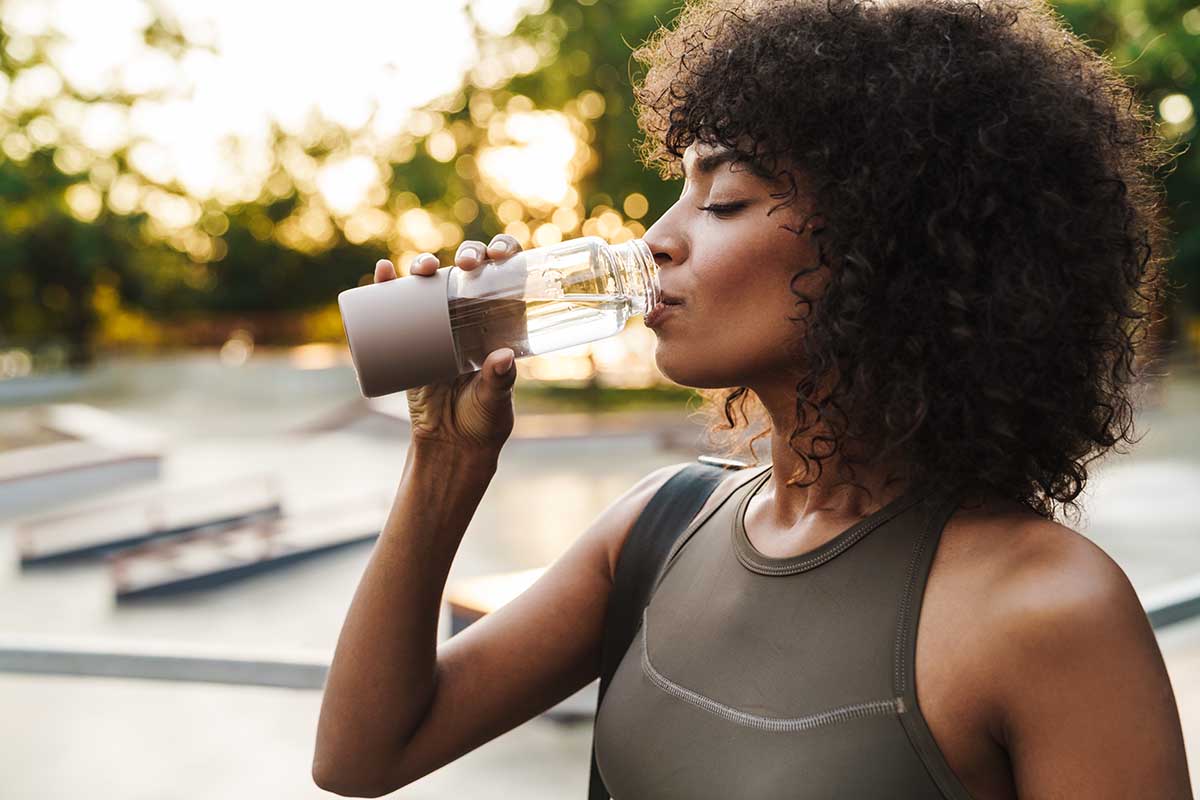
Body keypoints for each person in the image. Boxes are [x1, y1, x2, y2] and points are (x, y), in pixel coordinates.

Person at [313, 0, 1193, 797]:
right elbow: (363, 757)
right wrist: (446, 458)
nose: (657, 238)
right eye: (681, 188)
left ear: (891, 247)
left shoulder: (1051, 612)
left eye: (724, 198)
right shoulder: (658, 530)